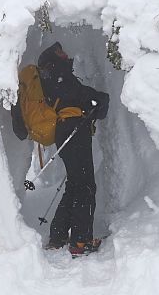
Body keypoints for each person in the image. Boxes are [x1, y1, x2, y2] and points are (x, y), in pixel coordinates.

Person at [32, 42, 109, 255]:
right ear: (54, 57)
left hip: (65, 132)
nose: (65, 53)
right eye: (60, 52)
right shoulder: (60, 75)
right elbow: (83, 96)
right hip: (74, 130)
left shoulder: (51, 78)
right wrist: (101, 99)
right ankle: (80, 241)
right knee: (85, 186)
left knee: (75, 184)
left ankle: (58, 236)